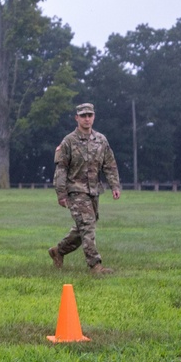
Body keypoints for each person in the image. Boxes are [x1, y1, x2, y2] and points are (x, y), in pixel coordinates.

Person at [50, 102, 122, 275]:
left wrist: (114, 185)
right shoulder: (68, 141)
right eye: (83, 116)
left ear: (94, 117)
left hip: (94, 191)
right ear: (77, 118)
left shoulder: (101, 140)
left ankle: (58, 251)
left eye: (90, 115)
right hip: (75, 190)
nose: (87, 118)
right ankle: (95, 265)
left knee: (83, 226)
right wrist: (61, 193)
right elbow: (61, 169)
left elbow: (109, 165)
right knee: (88, 225)